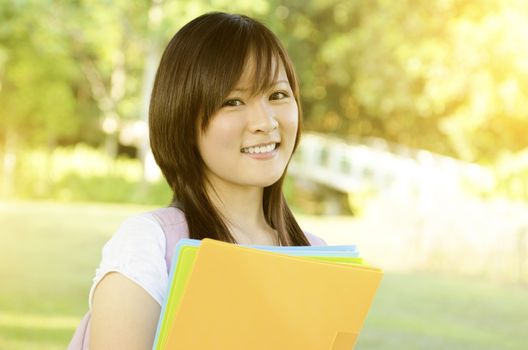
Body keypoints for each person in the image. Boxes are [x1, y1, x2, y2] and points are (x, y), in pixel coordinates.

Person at [72, 11, 326, 349]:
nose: (265, 121)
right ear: (184, 119)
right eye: (233, 101)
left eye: (277, 95)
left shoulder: (317, 255)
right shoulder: (149, 246)